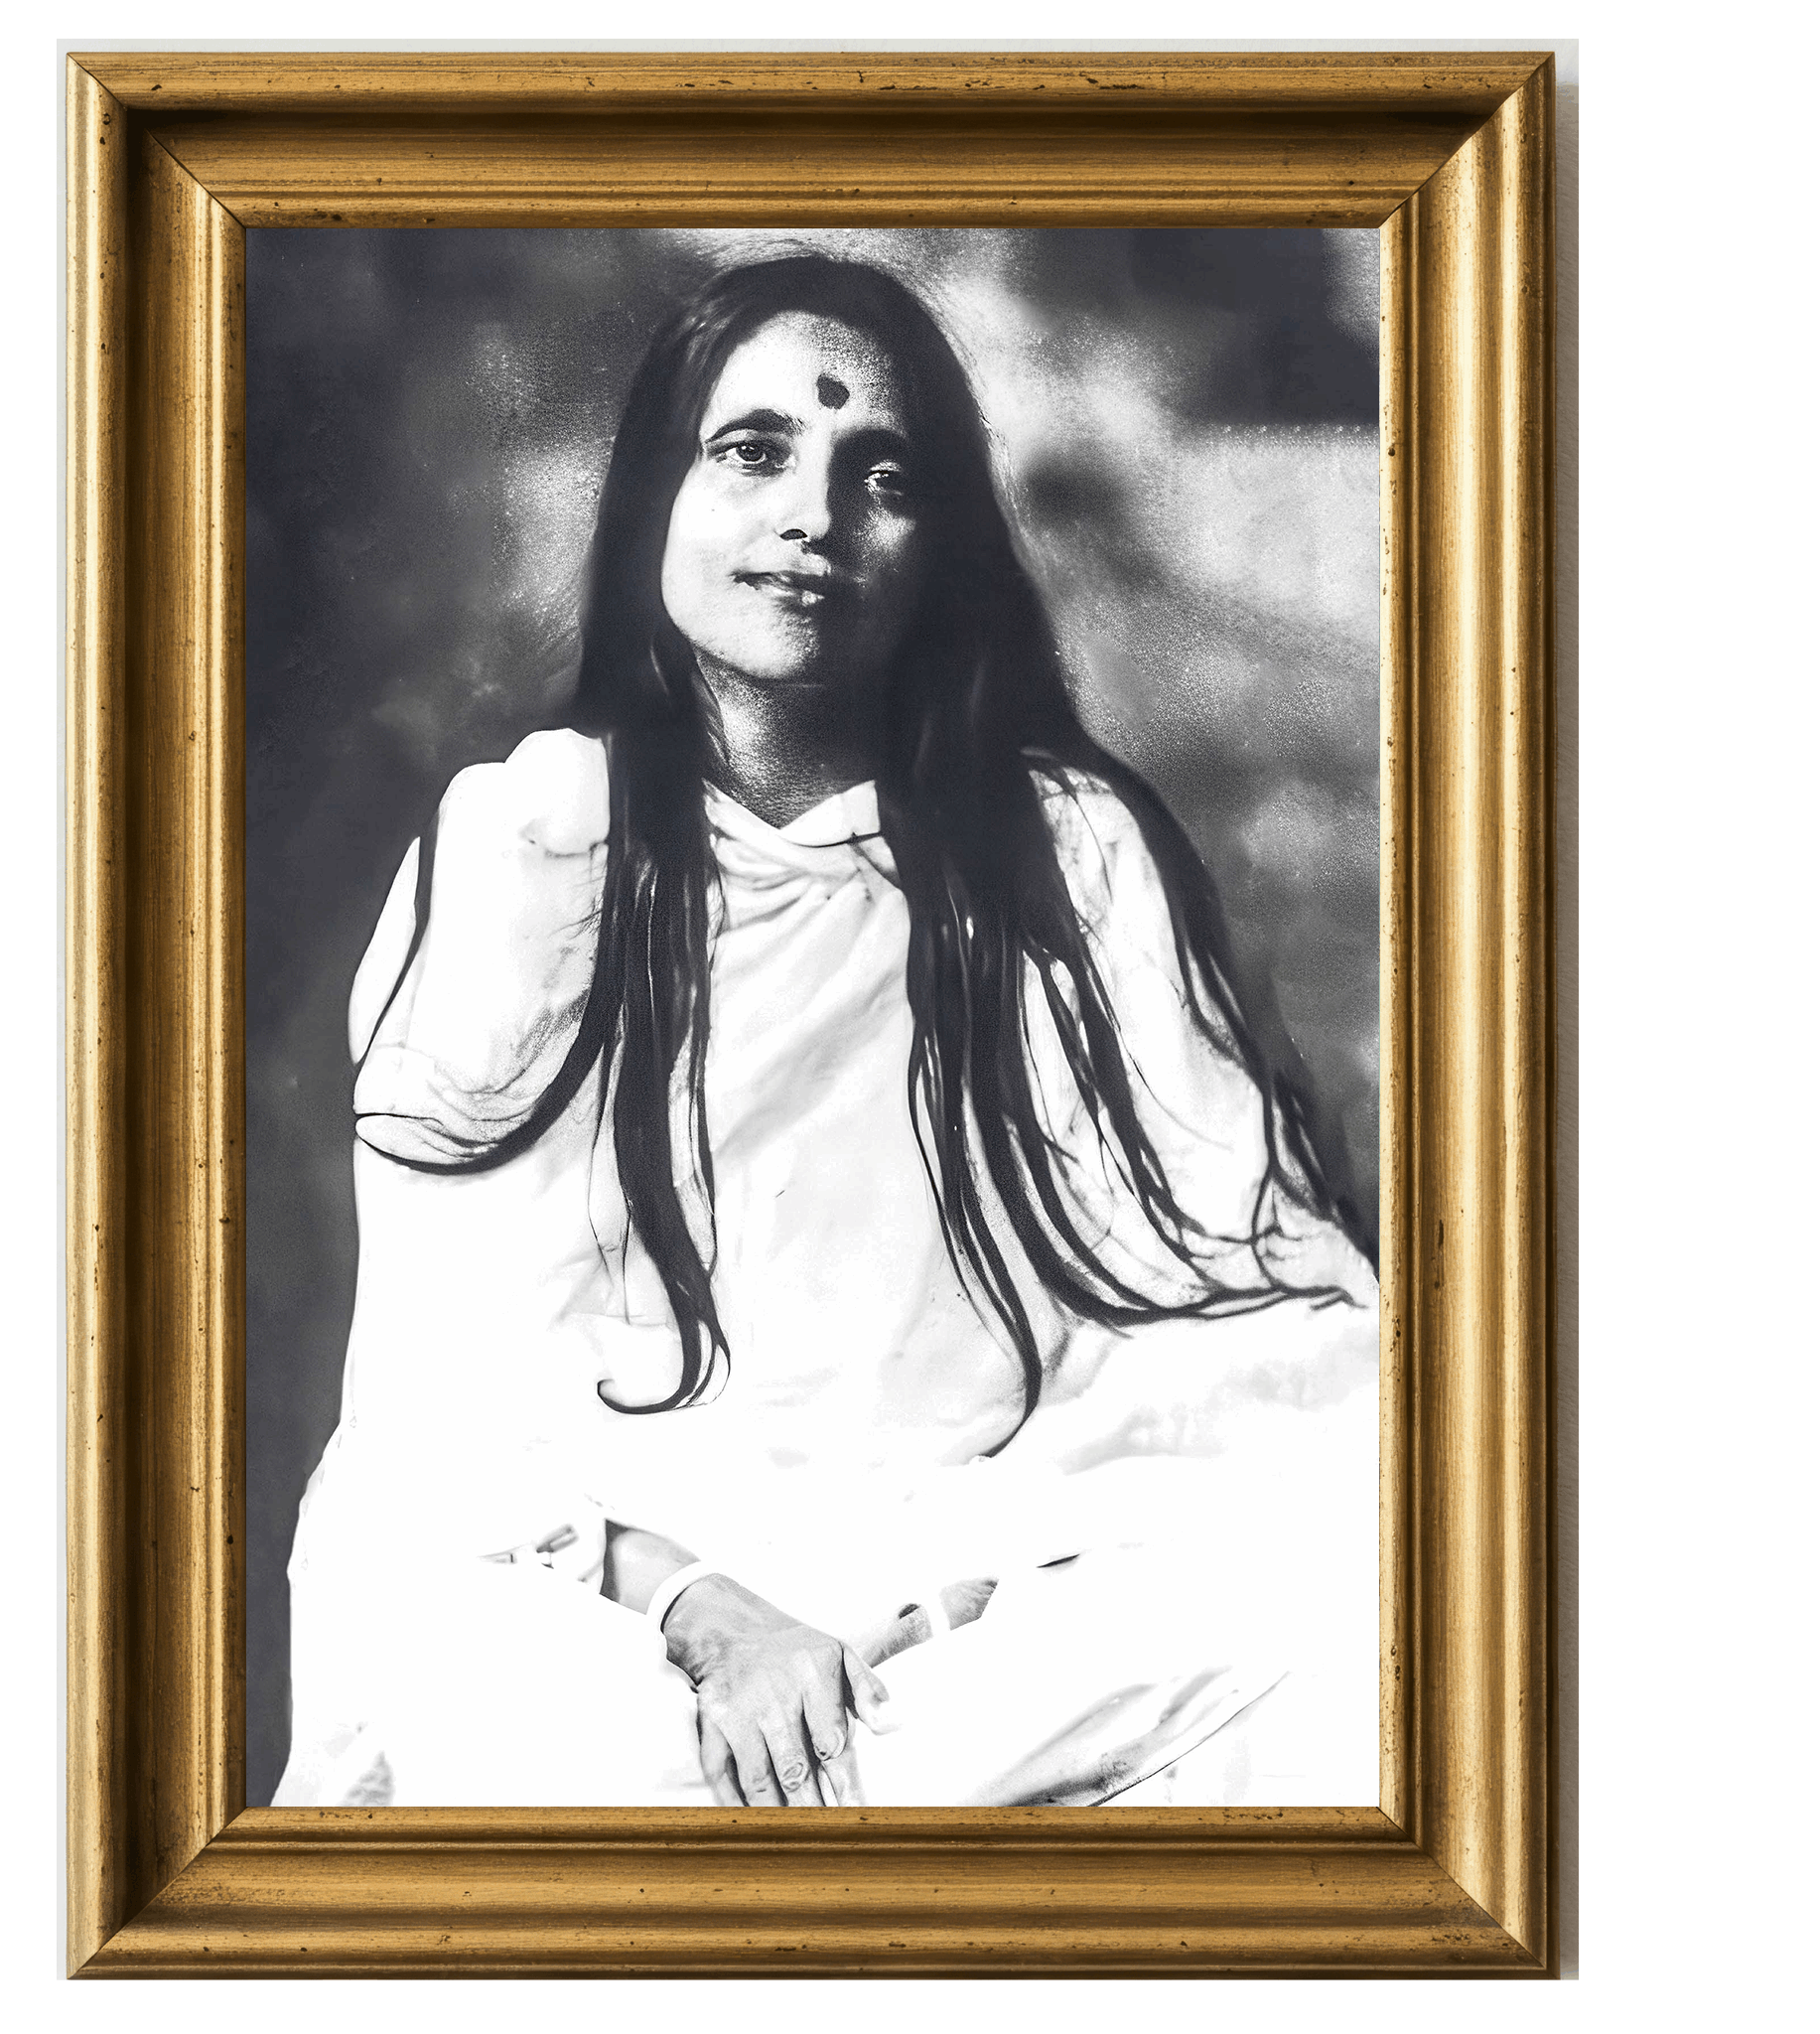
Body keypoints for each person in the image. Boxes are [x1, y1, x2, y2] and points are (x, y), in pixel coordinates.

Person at [273, 254, 1380, 1813]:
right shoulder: (529, 841)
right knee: (527, 1716)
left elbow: (1234, 1312)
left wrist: (961, 1590)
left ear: (941, 549)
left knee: (1358, 1614)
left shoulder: (1064, 851)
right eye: (755, 453)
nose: (814, 515)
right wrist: (704, 1612)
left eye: (884, 476)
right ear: (659, 496)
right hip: (619, 1579)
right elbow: (448, 1386)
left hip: (996, 1567)